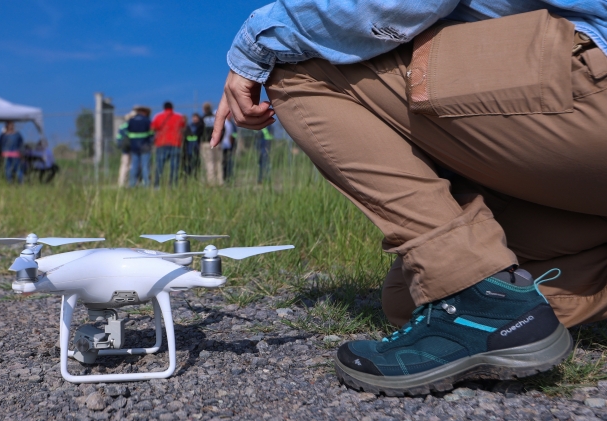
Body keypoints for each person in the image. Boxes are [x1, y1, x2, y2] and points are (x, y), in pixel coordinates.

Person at [213, 2, 607, 395]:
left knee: (295, 65)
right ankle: (488, 304)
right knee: (409, 297)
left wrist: (254, 46)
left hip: (591, 81)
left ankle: (480, 299)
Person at [151, 101, 185, 187]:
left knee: (159, 166)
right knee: (174, 166)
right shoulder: (179, 117)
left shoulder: (158, 116)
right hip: (175, 143)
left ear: (164, 108)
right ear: (172, 107)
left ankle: (157, 185)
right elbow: (183, 126)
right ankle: (173, 185)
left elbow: (153, 128)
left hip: (161, 143)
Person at [127, 106, 153, 188]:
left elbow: (128, 133)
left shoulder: (131, 120)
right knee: (145, 166)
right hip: (145, 146)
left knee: (134, 166)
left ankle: (132, 184)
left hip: (134, 146)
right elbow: (151, 133)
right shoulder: (147, 120)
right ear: (144, 112)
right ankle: (146, 184)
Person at [199, 103, 223, 186]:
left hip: (206, 143)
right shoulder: (216, 118)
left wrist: (200, 140)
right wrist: (220, 139)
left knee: (209, 162)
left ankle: (211, 182)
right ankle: (220, 181)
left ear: (204, 109)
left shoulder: (203, 118)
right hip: (217, 142)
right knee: (218, 162)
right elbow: (223, 129)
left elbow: (199, 130)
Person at [116, 110, 136, 187]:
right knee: (132, 165)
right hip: (134, 149)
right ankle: (132, 182)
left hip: (125, 149)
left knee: (124, 165)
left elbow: (119, 137)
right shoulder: (134, 126)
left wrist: (120, 145)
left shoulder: (123, 126)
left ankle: (121, 182)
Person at [182, 113, 202, 179]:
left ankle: (194, 177)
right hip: (188, 149)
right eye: (194, 117)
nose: (195, 119)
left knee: (195, 164)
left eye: (196, 118)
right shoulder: (190, 126)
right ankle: (187, 177)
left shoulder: (200, 126)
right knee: (187, 164)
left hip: (194, 148)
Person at [220, 115, 236, 182]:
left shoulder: (230, 124)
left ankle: (228, 177)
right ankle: (224, 177)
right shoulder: (224, 123)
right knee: (224, 163)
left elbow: (232, 135)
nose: (230, 116)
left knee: (228, 162)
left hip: (228, 145)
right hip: (223, 145)